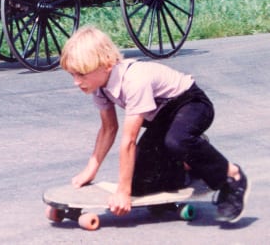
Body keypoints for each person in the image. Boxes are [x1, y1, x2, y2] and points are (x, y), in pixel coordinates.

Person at [59, 25, 250, 224]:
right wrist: (91, 169)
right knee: (141, 185)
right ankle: (186, 163)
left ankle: (232, 176)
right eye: (72, 74)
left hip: (191, 104)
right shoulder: (100, 87)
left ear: (106, 64)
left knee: (177, 140)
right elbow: (108, 129)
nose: (76, 82)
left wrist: (123, 192)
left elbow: (129, 141)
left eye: (81, 74)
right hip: (164, 119)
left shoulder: (134, 80)